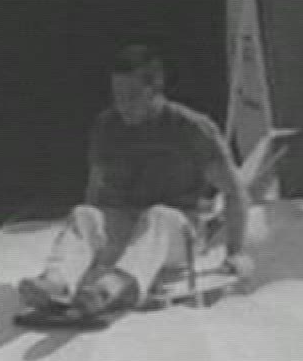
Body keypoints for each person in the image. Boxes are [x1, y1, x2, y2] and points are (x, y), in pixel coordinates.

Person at [18, 43, 253, 319]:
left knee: (159, 216)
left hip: (176, 234)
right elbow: (94, 190)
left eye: (132, 96)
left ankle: (115, 287)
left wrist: (235, 251)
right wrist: (92, 249)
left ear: (155, 89)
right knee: (84, 214)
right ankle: (56, 282)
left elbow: (235, 192)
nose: (123, 105)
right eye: (117, 96)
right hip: (126, 225)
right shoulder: (107, 126)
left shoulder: (191, 128)